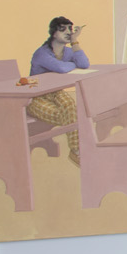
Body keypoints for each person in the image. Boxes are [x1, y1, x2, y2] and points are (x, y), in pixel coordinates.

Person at [27, 16, 89, 165]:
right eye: (63, 29)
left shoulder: (67, 52)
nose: (68, 32)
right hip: (34, 96)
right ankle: (77, 151)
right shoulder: (42, 53)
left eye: (70, 29)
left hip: (54, 92)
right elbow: (61, 68)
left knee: (70, 106)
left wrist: (75, 41)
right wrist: (72, 65)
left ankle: (76, 151)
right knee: (72, 115)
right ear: (53, 33)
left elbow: (84, 64)